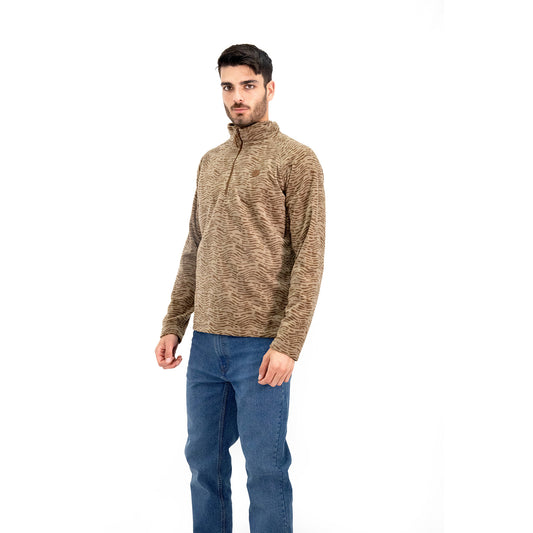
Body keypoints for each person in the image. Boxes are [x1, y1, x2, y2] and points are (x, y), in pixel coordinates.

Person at [154, 43, 326, 533]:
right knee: (203, 465)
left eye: (248, 85)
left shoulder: (297, 160)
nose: (237, 97)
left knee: (266, 470)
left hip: (262, 346)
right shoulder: (210, 162)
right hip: (206, 344)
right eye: (228, 87)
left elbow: (310, 257)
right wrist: (174, 323)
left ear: (269, 88)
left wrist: (289, 343)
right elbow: (195, 247)